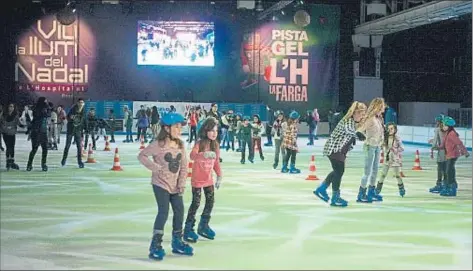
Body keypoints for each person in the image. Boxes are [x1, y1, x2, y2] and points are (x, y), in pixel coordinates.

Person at [137, 112, 193, 261]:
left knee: (179, 210)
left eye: (180, 126)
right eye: (176, 126)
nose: (179, 129)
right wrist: (154, 167)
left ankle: (177, 241)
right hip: (160, 183)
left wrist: (181, 183)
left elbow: (184, 166)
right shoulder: (158, 144)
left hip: (176, 185)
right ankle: (155, 244)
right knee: (164, 211)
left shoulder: (180, 144)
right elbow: (142, 155)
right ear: (167, 128)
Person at [313, 101, 367, 207]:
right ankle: (335, 197)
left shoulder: (352, 122)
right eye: (361, 114)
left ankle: (321, 189)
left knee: (337, 171)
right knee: (339, 172)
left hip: (338, 150)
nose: (362, 116)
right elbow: (349, 131)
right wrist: (358, 134)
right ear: (355, 112)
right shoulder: (348, 121)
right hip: (334, 149)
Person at [184, 117, 222, 243]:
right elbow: (192, 156)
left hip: (208, 179)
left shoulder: (215, 145)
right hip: (197, 179)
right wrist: (203, 154)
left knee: (210, 202)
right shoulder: (200, 143)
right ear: (206, 130)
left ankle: (203, 225)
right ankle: (188, 228)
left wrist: (219, 176)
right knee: (196, 203)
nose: (214, 133)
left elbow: (216, 162)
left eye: (216, 131)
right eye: (211, 130)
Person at [356, 98, 385, 203]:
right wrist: (361, 134)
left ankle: (371, 192)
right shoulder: (371, 119)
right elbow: (360, 129)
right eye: (381, 107)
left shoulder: (378, 119)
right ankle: (361, 194)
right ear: (377, 107)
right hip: (370, 146)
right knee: (367, 171)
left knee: (375, 170)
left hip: (377, 146)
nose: (383, 109)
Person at [439, 116, 469, 197]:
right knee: (448, 171)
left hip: (452, 155)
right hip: (449, 155)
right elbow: (444, 143)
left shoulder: (452, 134)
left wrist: (465, 152)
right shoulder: (448, 133)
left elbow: (459, 143)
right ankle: (450, 187)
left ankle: (452, 189)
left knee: (449, 171)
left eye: (444, 125)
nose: (443, 126)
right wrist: (439, 147)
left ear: (448, 126)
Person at [375, 123, 406, 198]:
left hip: (395, 159)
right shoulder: (385, 138)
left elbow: (402, 148)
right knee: (383, 174)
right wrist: (380, 143)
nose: (390, 130)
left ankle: (401, 189)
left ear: (395, 129)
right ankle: (377, 189)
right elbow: (380, 144)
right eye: (388, 129)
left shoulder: (397, 138)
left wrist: (395, 150)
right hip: (387, 159)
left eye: (392, 128)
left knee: (397, 175)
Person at [27, 97, 51, 172]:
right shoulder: (39, 109)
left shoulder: (38, 108)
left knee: (43, 149)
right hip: (38, 132)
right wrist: (48, 108)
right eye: (45, 101)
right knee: (35, 149)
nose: (46, 102)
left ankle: (41, 164)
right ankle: (32, 164)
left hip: (42, 131)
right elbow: (47, 115)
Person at [61, 98, 86, 168]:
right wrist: (71, 118)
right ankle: (64, 159)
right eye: (80, 102)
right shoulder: (73, 109)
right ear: (77, 103)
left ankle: (80, 162)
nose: (81, 104)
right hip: (71, 130)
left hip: (78, 130)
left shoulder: (83, 111)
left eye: (82, 103)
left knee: (79, 147)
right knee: (67, 146)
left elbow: (84, 120)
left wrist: (86, 129)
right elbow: (68, 117)